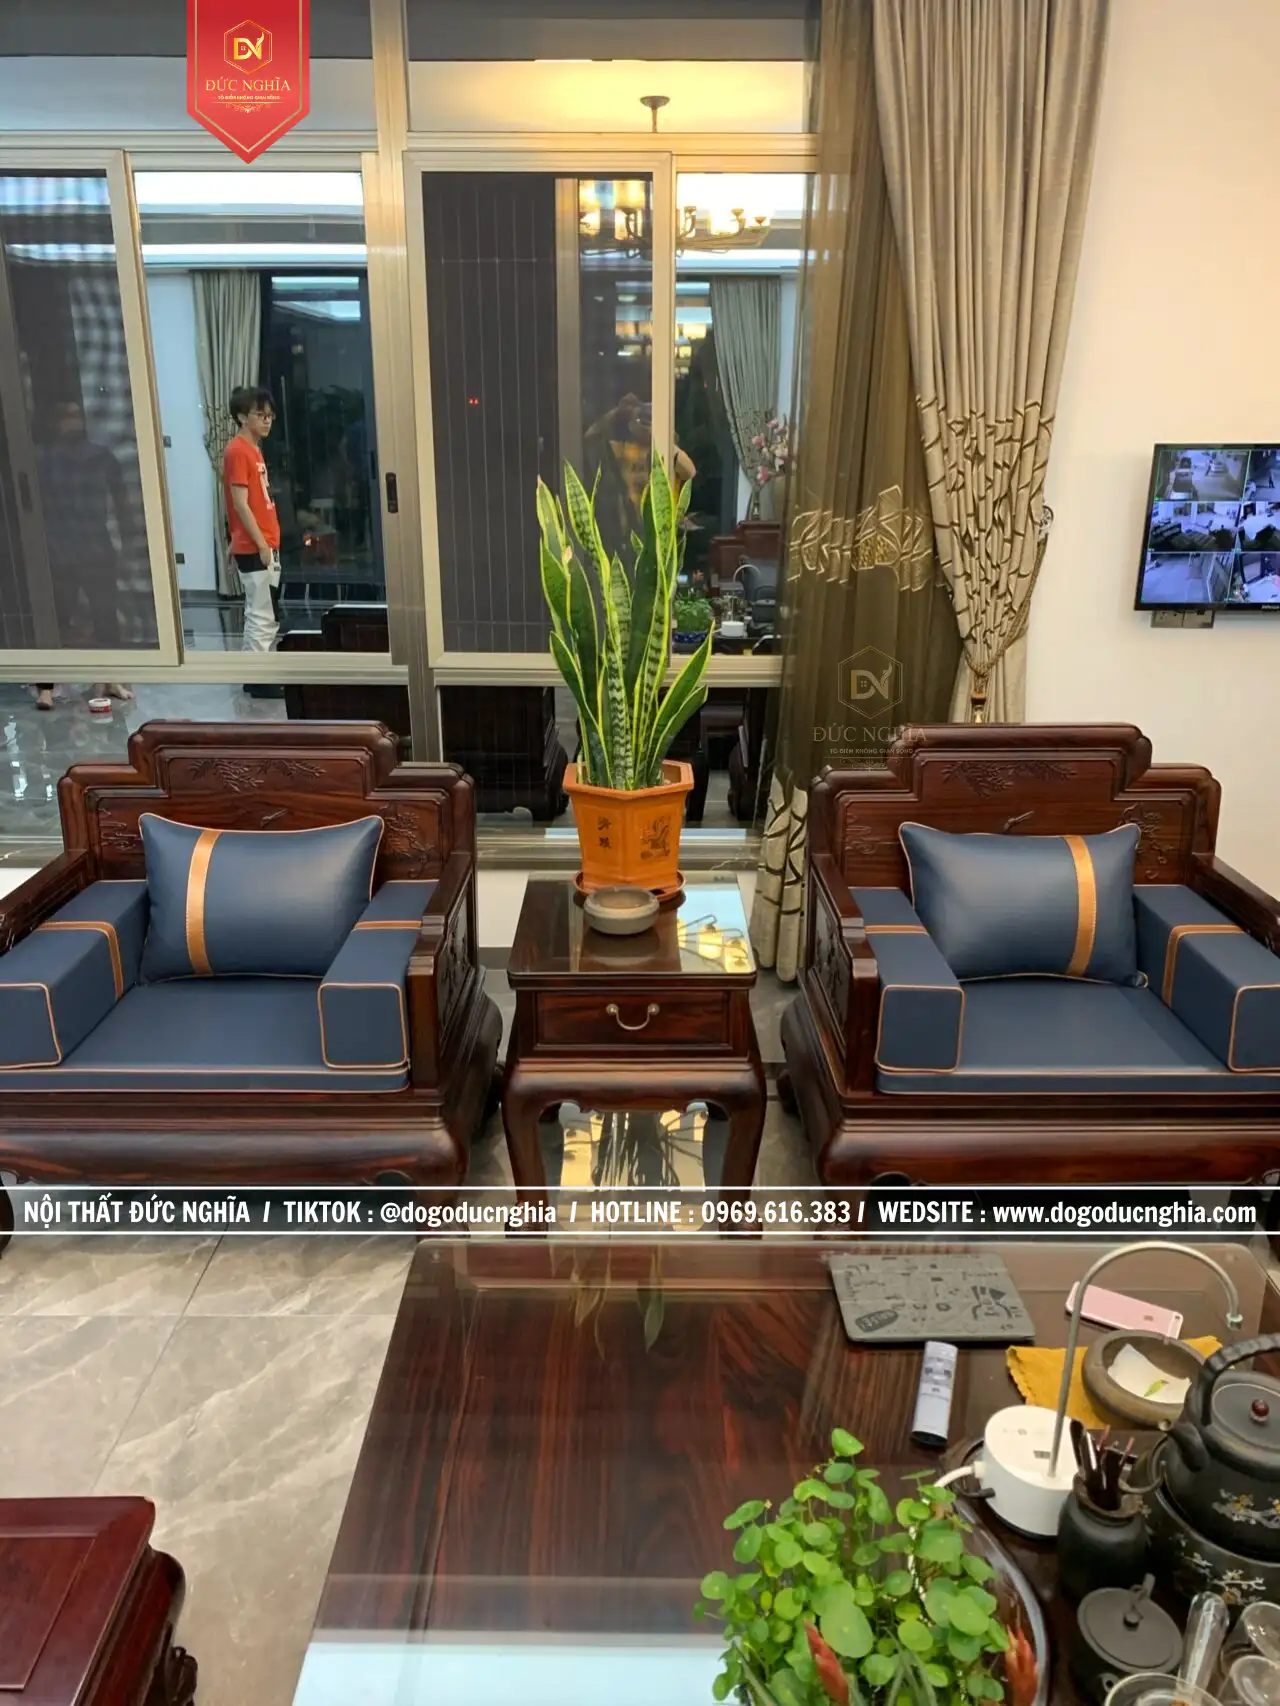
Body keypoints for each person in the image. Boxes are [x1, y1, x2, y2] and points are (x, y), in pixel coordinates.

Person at [32, 398, 136, 709]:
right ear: (54, 423)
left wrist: (128, 542)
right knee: (54, 622)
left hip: (95, 547)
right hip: (58, 548)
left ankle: (111, 678)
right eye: (65, 416)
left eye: (77, 416)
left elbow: (121, 501)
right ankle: (45, 687)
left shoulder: (100, 457)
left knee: (106, 617)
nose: (72, 422)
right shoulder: (42, 459)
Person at [222, 386, 283, 679]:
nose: (267, 421)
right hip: (258, 544)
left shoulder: (253, 450)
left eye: (270, 415)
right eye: (260, 415)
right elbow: (239, 503)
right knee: (261, 616)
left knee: (263, 613)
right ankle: (258, 678)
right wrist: (259, 543)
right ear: (242, 417)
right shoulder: (238, 450)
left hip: (262, 539)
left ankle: (255, 675)